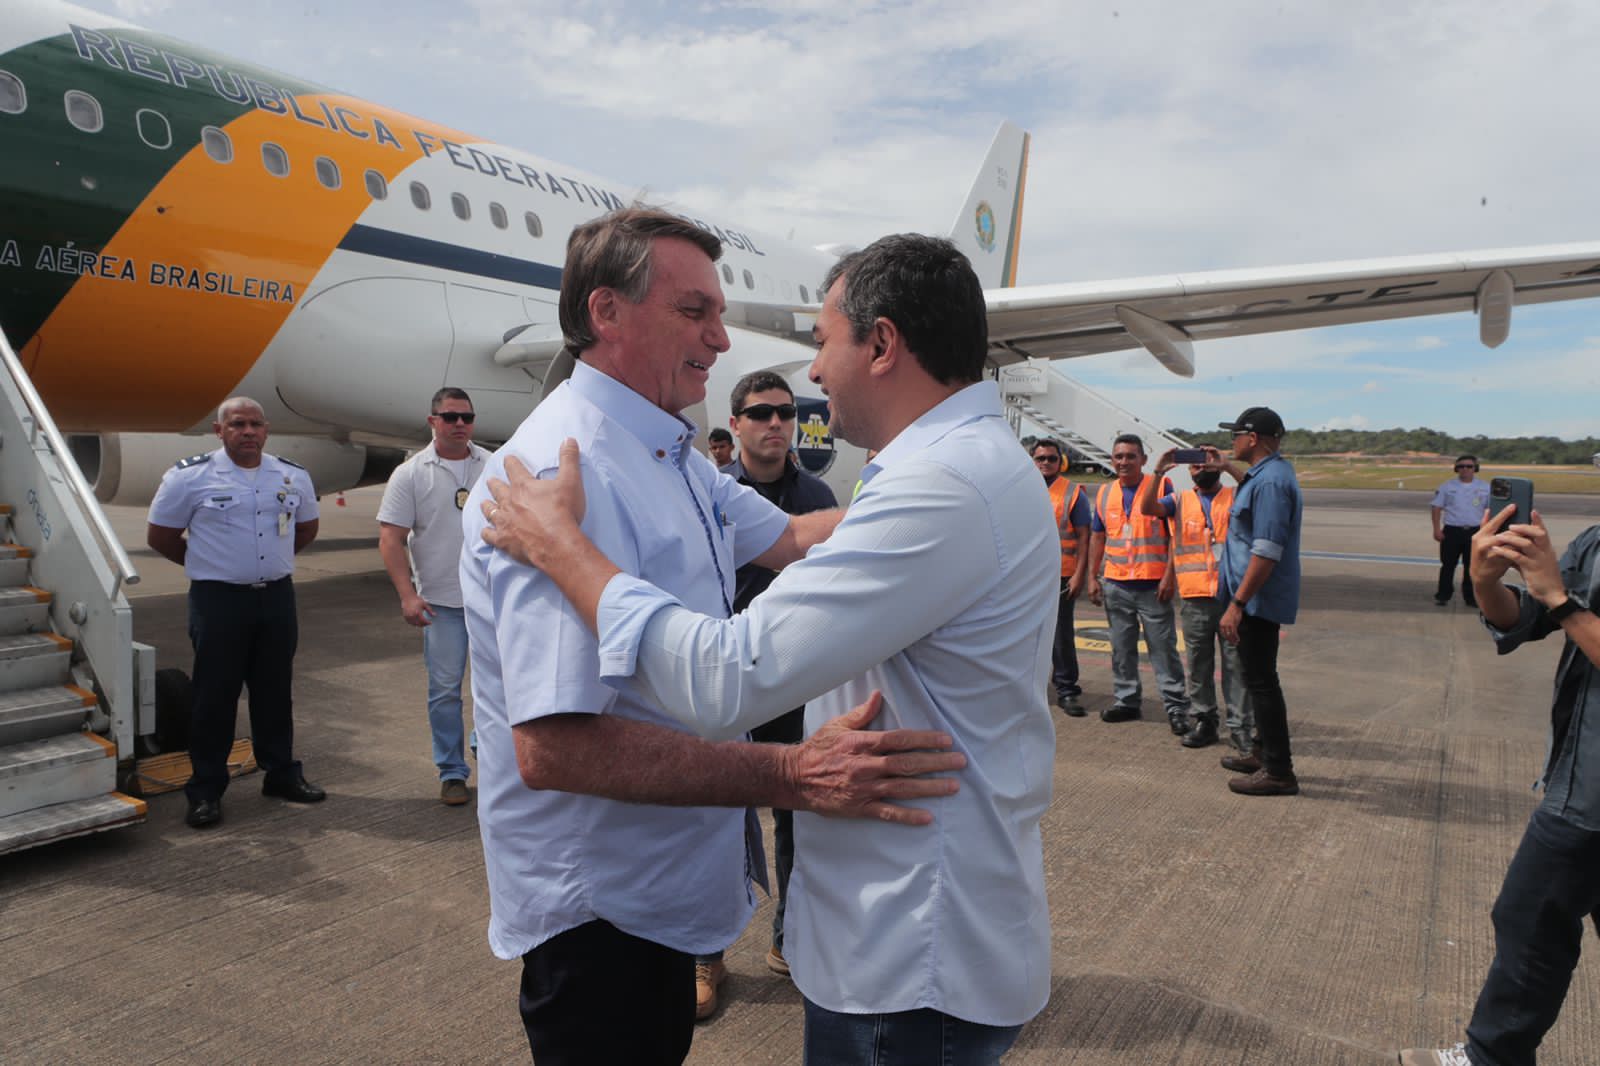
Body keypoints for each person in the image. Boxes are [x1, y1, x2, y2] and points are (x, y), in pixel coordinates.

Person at [481, 232, 1058, 1066]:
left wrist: (564, 549)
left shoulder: (942, 485)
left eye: (824, 342)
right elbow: (551, 744)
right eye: (696, 310)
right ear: (605, 313)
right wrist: (786, 773)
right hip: (614, 914)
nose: (811, 372)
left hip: (910, 951)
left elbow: (725, 678)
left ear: (884, 344)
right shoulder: (563, 463)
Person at [1400, 504, 1600, 1066]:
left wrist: (1561, 597)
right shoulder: (1596, 542)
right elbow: (1524, 620)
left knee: (1529, 918)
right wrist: (1486, 582)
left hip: (1589, 799)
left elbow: (1557, 606)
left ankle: (1492, 1058)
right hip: (1579, 772)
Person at [684, 370, 841, 1017]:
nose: (777, 422)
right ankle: (707, 957)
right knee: (718, 826)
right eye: (761, 412)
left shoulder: (819, 494)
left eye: (786, 412)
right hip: (731, 682)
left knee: (798, 822)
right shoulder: (714, 495)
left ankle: (789, 944)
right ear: (737, 423)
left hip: (800, 682)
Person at [146, 397, 324, 829]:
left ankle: (281, 774)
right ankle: (206, 789)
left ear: (266, 430)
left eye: (255, 424)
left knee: (275, 691)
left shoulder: (291, 474)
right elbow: (161, 536)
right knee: (214, 697)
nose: (248, 432)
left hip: (276, 599)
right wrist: (212, 566)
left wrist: (267, 566)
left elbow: (306, 527)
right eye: (238, 424)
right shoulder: (190, 477)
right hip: (218, 602)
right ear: (219, 430)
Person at [377, 387, 491, 806]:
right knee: (444, 691)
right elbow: (390, 538)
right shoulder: (411, 473)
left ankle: (491, 757)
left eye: (466, 417)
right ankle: (452, 771)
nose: (459, 424)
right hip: (440, 604)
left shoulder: (493, 466)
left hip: (489, 602)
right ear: (432, 422)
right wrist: (407, 595)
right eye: (450, 417)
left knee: (494, 688)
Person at [1138, 449, 1253, 751]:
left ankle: (1241, 726)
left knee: (1236, 664)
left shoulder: (1235, 495)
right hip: (1195, 597)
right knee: (1199, 665)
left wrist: (1227, 465)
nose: (1202, 468)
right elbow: (1147, 507)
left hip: (1232, 596)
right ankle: (1205, 720)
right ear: (1187, 472)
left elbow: (1255, 488)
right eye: (1196, 465)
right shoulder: (1179, 500)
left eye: (1207, 463)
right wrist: (1159, 471)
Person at [1213, 407, 1302, 797]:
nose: (1231, 441)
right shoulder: (1266, 476)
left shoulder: (1270, 484)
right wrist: (1227, 468)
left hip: (1256, 600)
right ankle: (1263, 754)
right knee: (1256, 678)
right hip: (1253, 598)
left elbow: (1266, 551)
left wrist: (1237, 602)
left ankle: (1279, 771)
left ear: (1253, 439)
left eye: (1236, 435)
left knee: (1263, 683)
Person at [1086, 434, 1192, 734]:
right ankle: (1127, 700)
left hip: (1152, 585)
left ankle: (1175, 707)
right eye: (1118, 456)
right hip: (1117, 584)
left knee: (1163, 650)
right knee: (1121, 649)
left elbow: (1174, 534)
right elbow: (1098, 535)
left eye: (1131, 456)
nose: (1124, 462)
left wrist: (1170, 575)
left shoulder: (1161, 487)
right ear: (1111, 460)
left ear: (1143, 460)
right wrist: (1093, 576)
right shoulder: (1105, 493)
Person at [1034, 438, 1090, 716]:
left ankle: (1067, 689)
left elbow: (1084, 537)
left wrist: (1080, 574)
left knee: (1061, 635)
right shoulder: (1022, 489)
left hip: (1061, 577)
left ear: (1061, 462)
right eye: (1041, 458)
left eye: (1051, 458)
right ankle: (1029, 690)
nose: (1046, 463)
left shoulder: (1072, 492)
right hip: (1027, 578)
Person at [1431, 455, 1488, 607]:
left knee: (1472, 567)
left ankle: (1470, 598)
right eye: (1461, 466)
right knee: (1448, 565)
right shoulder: (1447, 487)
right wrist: (1436, 529)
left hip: (1475, 532)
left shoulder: (1485, 487)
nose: (1465, 469)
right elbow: (1436, 507)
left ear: (1475, 468)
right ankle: (1443, 595)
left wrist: (1487, 531)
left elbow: (1490, 510)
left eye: (1469, 466)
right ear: (1456, 469)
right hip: (1451, 531)